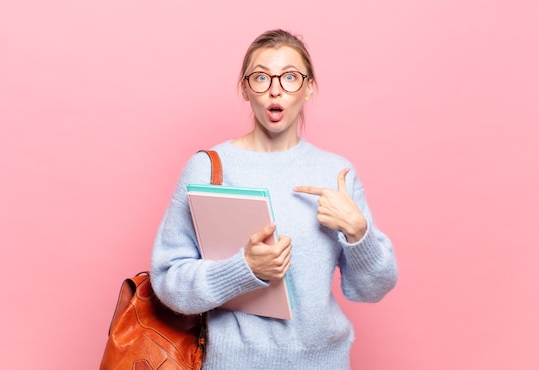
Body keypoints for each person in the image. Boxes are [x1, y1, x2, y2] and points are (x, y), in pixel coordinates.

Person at [151, 29, 398, 369]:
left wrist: (359, 233)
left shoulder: (337, 173)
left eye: (291, 77)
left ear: (309, 87)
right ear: (245, 88)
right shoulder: (207, 170)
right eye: (262, 77)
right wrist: (244, 270)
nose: (275, 89)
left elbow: (373, 289)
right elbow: (168, 281)